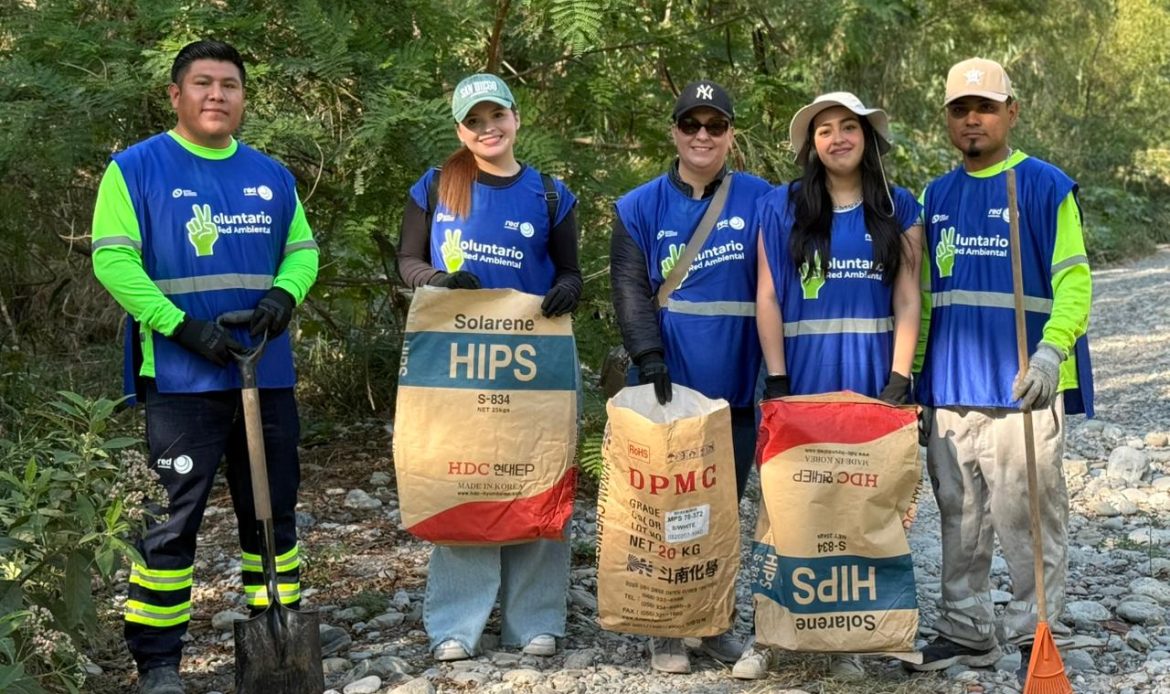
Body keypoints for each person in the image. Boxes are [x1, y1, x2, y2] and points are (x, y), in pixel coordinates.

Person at [91, 40, 320, 694]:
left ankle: (277, 626)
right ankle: (158, 662)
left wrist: (283, 295)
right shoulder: (135, 170)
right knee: (170, 522)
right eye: (203, 84)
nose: (217, 95)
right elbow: (114, 262)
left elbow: (303, 251)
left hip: (264, 372)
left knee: (272, 512)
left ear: (244, 97)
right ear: (176, 94)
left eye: (230, 85)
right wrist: (182, 328)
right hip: (182, 380)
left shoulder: (272, 176)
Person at [907, 58, 1093, 686]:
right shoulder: (936, 196)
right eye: (960, 109)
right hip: (950, 389)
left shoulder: (1045, 186)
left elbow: (1074, 281)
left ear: (1011, 112)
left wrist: (1052, 350)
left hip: (1023, 389)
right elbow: (925, 298)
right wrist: (913, 379)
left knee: (1029, 519)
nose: (972, 119)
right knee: (959, 517)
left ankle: (1033, 635)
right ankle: (965, 630)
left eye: (984, 107)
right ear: (948, 120)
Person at [734, 91, 923, 681]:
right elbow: (766, 294)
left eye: (848, 127)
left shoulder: (899, 207)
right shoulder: (779, 206)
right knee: (786, 505)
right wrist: (779, 376)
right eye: (824, 130)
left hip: (870, 377)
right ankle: (769, 634)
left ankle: (853, 638)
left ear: (868, 137)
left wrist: (899, 375)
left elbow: (909, 296)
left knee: (859, 502)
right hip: (802, 379)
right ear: (810, 145)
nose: (837, 138)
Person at [396, 73, 582, 662]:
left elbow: (570, 270)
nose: (487, 129)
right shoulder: (435, 186)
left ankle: (536, 622)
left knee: (538, 478)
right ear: (460, 129)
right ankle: (457, 624)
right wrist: (439, 282)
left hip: (535, 362)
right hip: (458, 362)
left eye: (495, 116)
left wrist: (567, 290)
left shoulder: (551, 194)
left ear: (516, 118)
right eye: (473, 121)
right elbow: (408, 260)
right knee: (463, 479)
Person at [609, 79, 773, 674]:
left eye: (716, 126)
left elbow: (779, 282)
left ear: (731, 134)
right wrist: (648, 355)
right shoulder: (639, 205)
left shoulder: (762, 199)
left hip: (736, 383)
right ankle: (668, 627)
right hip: (666, 381)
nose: (703, 135)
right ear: (674, 131)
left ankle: (716, 621)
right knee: (668, 505)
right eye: (691, 125)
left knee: (723, 505)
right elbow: (628, 287)